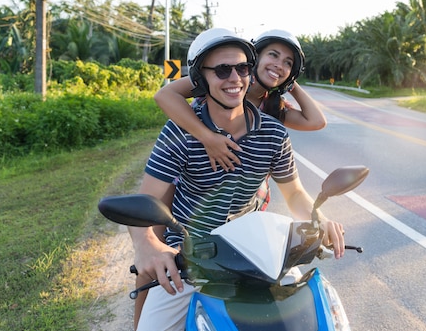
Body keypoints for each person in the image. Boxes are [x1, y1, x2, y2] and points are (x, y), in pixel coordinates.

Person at [129, 28, 344, 331]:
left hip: (255, 253)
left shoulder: (274, 132)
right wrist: (148, 244)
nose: (235, 78)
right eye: (222, 70)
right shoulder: (179, 132)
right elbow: (146, 201)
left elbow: (294, 193)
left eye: (242, 68)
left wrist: (318, 217)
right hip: (191, 259)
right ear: (201, 80)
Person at [153, 29, 326, 172]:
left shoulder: (272, 107)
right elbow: (165, 95)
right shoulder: (222, 80)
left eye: (288, 63)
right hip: (194, 183)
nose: (280, 64)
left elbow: (316, 122)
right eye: (273, 55)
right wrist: (207, 137)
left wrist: (288, 80)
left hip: (247, 202)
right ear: (253, 57)